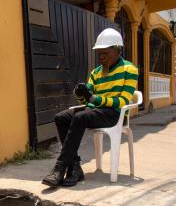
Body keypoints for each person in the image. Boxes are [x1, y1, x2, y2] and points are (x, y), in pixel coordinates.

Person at [42, 28, 138, 187]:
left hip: (114, 114)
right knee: (61, 117)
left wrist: (94, 98)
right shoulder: (96, 72)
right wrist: (81, 93)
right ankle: (74, 167)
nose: (101, 57)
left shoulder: (130, 69)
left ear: (117, 50)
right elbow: (87, 99)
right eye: (99, 53)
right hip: (94, 111)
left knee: (81, 117)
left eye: (105, 53)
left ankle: (60, 168)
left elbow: (123, 101)